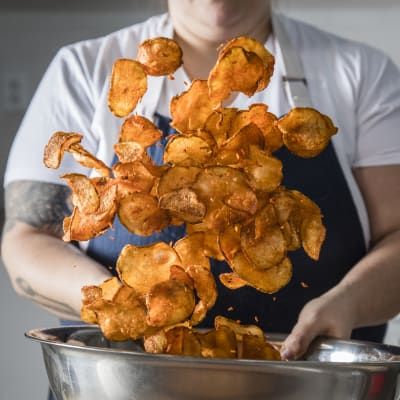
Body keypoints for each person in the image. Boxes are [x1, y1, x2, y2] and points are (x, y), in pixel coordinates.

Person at [2, 0, 400, 367]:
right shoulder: (84, 69)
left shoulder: (359, 72)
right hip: (123, 383)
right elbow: (26, 239)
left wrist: (346, 305)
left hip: (312, 380)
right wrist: (115, 303)